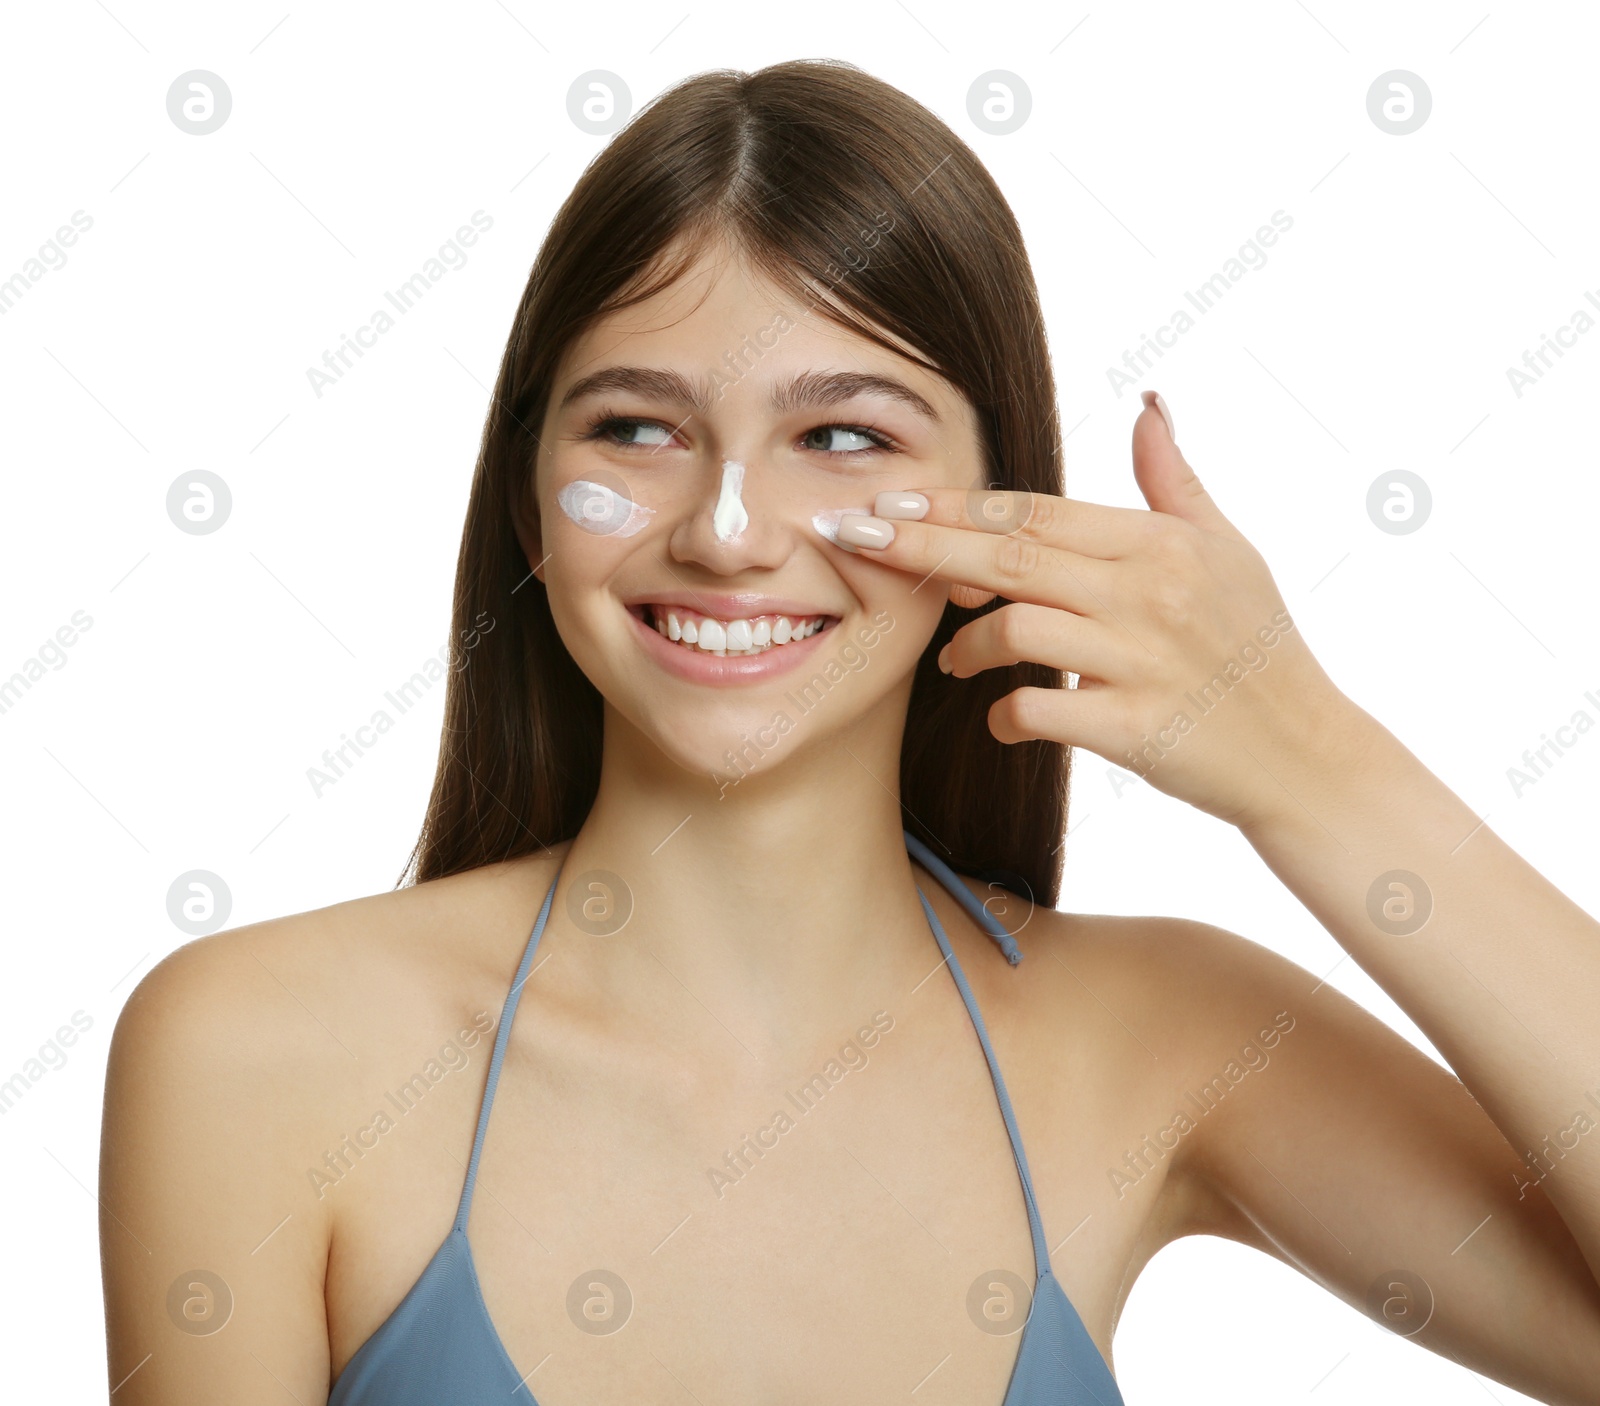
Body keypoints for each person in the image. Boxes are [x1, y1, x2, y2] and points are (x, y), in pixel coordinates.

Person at [100, 58, 1600, 1404]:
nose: (731, 530)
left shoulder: (1166, 1039)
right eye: (636, 426)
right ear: (526, 507)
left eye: (842, 435)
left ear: (1003, 508)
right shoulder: (256, 1048)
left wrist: (1310, 760)